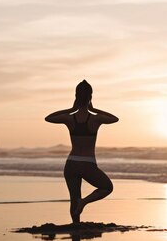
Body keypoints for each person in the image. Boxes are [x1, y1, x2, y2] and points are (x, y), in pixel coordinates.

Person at [45, 80, 119, 224]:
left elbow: (49, 118)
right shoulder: (95, 119)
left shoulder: (69, 118)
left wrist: (70, 109)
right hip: (87, 164)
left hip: (71, 163)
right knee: (107, 187)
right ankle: (84, 203)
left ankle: (76, 225)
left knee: (74, 198)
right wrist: (95, 109)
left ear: (76, 97)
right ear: (90, 97)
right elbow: (114, 119)